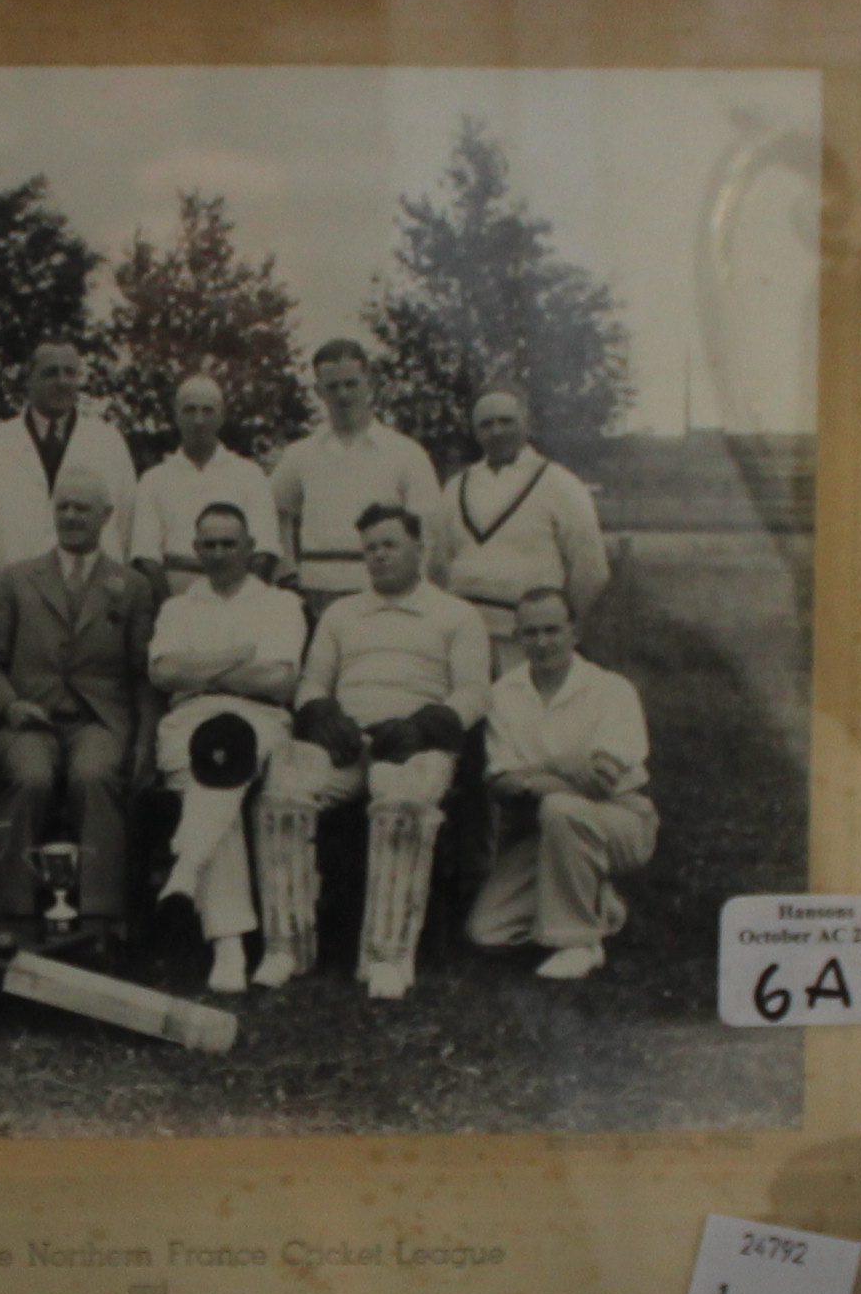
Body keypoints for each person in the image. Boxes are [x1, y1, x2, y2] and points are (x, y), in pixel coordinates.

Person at [278, 500, 489, 999]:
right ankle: (285, 942)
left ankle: (388, 954)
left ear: (420, 548)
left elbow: (475, 692)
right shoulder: (342, 613)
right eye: (370, 548)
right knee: (284, 791)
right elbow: (310, 682)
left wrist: (427, 724)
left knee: (400, 803)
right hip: (348, 743)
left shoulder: (456, 614)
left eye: (390, 545)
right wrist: (323, 713)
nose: (379, 557)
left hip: (414, 745)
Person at [144, 500, 308, 996]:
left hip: (257, 717)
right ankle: (228, 941)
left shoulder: (279, 604)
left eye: (229, 544)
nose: (218, 554)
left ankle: (213, 919)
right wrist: (238, 656)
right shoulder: (177, 607)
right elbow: (163, 673)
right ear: (195, 550)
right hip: (188, 719)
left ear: (251, 549)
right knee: (220, 788)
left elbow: (279, 680)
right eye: (208, 544)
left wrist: (201, 666)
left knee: (222, 763)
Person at [0, 480, 155, 951]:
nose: (72, 516)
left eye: (83, 508)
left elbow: (142, 673)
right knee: (30, 776)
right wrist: (9, 704)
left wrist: (143, 741)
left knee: (95, 775)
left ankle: (101, 917)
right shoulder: (17, 580)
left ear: (106, 515)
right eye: (64, 507)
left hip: (99, 719)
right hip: (29, 717)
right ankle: (12, 913)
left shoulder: (133, 587)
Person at [469, 582, 658, 982]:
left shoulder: (610, 689)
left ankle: (575, 943)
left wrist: (536, 779)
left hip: (621, 821)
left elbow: (602, 782)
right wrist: (566, 774)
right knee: (487, 933)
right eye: (531, 632)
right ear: (518, 637)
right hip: (546, 833)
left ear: (576, 633)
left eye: (552, 630)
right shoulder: (504, 693)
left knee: (560, 807)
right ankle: (599, 905)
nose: (542, 642)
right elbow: (502, 783)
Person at [266, 336, 443, 616]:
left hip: (382, 592)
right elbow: (275, 510)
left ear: (369, 385)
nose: (343, 395)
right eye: (333, 386)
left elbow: (428, 529)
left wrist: (412, 586)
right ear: (319, 391)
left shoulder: (405, 453)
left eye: (351, 384)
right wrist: (287, 564)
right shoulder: (301, 454)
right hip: (317, 593)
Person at [440, 383, 611, 640]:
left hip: (532, 638)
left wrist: (563, 627)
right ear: (475, 432)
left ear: (527, 424)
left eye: (506, 421)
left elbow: (591, 569)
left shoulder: (561, 484)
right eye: (486, 424)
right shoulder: (455, 488)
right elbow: (437, 564)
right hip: (464, 635)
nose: (497, 431)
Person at [0, 335, 136, 580]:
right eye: (51, 373)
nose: (62, 381)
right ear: (29, 380)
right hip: (16, 586)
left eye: (70, 373)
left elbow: (125, 519)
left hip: (91, 584)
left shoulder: (108, 441)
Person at [123, 373, 263, 590]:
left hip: (236, 595)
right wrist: (171, 609)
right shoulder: (153, 480)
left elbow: (263, 552)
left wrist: (239, 601)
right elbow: (145, 557)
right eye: (190, 410)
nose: (199, 420)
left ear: (222, 416)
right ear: (176, 415)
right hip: (174, 594)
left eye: (208, 410)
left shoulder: (250, 475)